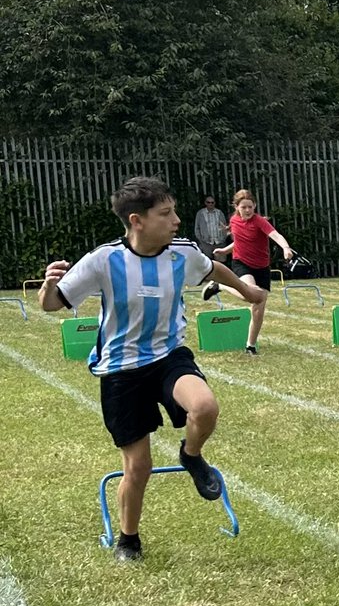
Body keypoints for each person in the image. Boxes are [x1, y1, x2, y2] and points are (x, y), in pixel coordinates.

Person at [38, 176, 266, 562]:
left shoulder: (182, 253)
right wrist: (47, 286)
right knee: (138, 466)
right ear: (137, 220)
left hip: (167, 356)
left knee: (205, 407)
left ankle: (191, 455)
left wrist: (249, 292)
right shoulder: (103, 260)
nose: (176, 220)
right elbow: (52, 304)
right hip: (121, 370)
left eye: (174, 211)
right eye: (166, 213)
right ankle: (129, 540)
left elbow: (213, 270)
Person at [206, 189, 293, 356]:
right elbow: (239, 242)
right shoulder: (234, 221)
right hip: (242, 263)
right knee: (252, 294)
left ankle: (250, 346)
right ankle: (222, 285)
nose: (247, 210)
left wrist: (285, 247)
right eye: (244, 207)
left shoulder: (259, 221)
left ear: (254, 206)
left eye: (250, 207)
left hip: (262, 267)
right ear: (237, 207)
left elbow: (275, 234)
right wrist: (225, 251)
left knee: (258, 306)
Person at [192, 194, 229, 259]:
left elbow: (225, 226)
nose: (210, 204)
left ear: (215, 203)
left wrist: (223, 238)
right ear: (205, 203)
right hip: (206, 243)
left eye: (212, 202)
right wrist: (201, 240)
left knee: (221, 264)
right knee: (207, 264)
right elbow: (197, 228)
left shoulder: (219, 213)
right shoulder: (200, 213)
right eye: (208, 202)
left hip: (219, 242)